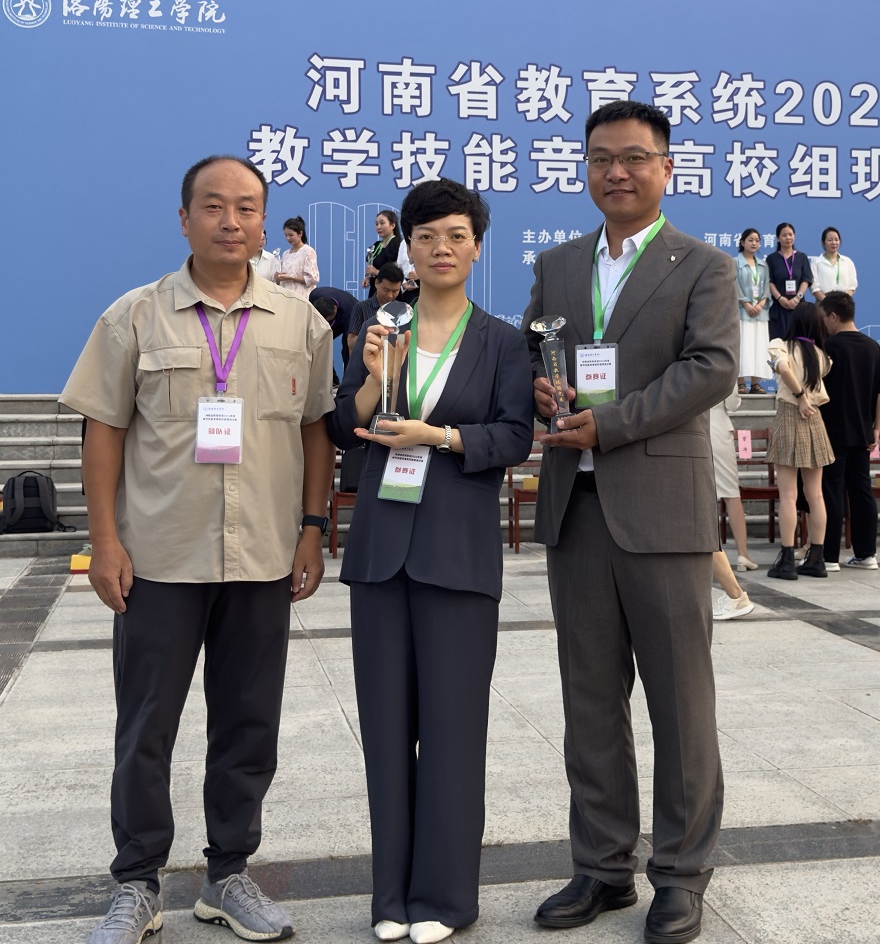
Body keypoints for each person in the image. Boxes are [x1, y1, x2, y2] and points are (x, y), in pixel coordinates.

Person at [60, 155, 335, 944]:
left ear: (265, 223)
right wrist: (104, 541)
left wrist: (311, 529)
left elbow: (316, 431)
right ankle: (137, 883)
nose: (230, 221)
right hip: (159, 560)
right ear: (184, 219)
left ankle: (227, 876)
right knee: (145, 728)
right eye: (213, 206)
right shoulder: (134, 316)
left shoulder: (301, 324)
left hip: (262, 558)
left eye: (247, 207)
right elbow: (103, 431)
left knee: (248, 724)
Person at [522, 100, 736, 944]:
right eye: (601, 158)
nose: (616, 171)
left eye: (634, 158)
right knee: (588, 701)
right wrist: (539, 389)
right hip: (574, 506)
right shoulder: (556, 265)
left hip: (662, 511)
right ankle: (601, 866)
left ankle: (680, 875)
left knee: (680, 704)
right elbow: (536, 355)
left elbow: (710, 368)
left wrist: (609, 423)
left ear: (665, 168)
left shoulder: (704, 266)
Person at [327, 179, 533, 944]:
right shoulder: (382, 327)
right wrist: (375, 382)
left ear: (476, 246)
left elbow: (514, 437)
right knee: (385, 732)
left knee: (452, 729)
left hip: (457, 552)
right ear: (405, 249)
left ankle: (445, 899)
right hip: (380, 551)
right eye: (425, 237)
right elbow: (344, 426)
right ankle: (390, 896)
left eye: (455, 235)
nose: (440, 249)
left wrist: (438, 437)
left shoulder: (502, 341)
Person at [818, 292, 880, 572]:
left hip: (831, 431)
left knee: (831, 491)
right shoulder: (873, 347)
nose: (824, 323)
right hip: (862, 431)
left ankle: (828, 556)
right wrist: (877, 428)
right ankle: (866, 553)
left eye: (824, 318)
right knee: (862, 491)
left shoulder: (828, 347)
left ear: (834, 316)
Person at [765, 302, 833, 581]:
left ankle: (787, 559)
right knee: (816, 495)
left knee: (788, 496)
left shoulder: (780, 345)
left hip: (790, 415)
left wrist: (800, 397)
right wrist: (806, 398)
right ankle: (817, 558)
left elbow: (783, 368)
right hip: (815, 419)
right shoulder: (821, 356)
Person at [709, 399, 755, 619]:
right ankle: (742, 554)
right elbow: (734, 403)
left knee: (701, 499)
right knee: (731, 494)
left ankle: (735, 594)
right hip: (718, 428)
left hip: (697, 430)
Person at [346, 262, 413, 358]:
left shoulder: (402, 312)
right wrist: (372, 335)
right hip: (367, 361)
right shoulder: (361, 308)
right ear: (376, 283)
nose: (390, 295)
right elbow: (351, 342)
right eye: (386, 290)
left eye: (395, 291)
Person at [736, 227, 771, 394]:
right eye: (750, 240)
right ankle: (740, 382)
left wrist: (761, 304)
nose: (754, 243)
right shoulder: (735, 262)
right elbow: (734, 285)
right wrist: (746, 304)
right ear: (743, 242)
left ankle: (755, 384)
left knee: (759, 347)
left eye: (757, 240)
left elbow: (766, 288)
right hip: (742, 312)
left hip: (760, 313)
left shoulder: (763, 265)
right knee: (743, 346)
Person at [766, 222, 813, 341]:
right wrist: (780, 298)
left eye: (790, 234)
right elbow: (769, 281)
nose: (788, 238)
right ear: (778, 238)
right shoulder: (772, 258)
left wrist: (797, 298)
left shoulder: (801, 257)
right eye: (784, 235)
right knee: (779, 342)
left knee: (799, 341)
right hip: (779, 306)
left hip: (798, 306)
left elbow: (806, 279)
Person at [310, 285, 359, 373]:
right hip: (332, 313)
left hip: (350, 314)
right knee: (319, 343)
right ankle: (330, 377)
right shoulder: (314, 295)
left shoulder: (350, 311)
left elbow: (351, 344)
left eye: (329, 321)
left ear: (335, 308)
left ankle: (349, 377)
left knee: (347, 350)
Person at [274, 215, 319, 297]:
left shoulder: (308, 251)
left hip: (302, 297)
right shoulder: (285, 254)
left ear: (300, 234)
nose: (288, 238)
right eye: (286, 235)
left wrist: (291, 277)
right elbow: (280, 282)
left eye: (291, 235)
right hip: (286, 297)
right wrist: (278, 278)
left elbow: (313, 278)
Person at [810, 227, 858, 301]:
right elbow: (814, 286)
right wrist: (827, 302)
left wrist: (845, 300)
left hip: (844, 302)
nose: (834, 243)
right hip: (824, 302)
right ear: (823, 242)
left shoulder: (847, 261)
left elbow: (852, 284)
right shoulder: (816, 263)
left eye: (836, 240)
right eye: (830, 240)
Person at [363, 209, 401, 296]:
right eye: (376, 224)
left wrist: (376, 271)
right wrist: (368, 277)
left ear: (392, 225)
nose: (378, 227)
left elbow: (398, 271)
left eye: (382, 223)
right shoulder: (377, 245)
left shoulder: (396, 243)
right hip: (375, 289)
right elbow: (372, 264)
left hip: (389, 292)